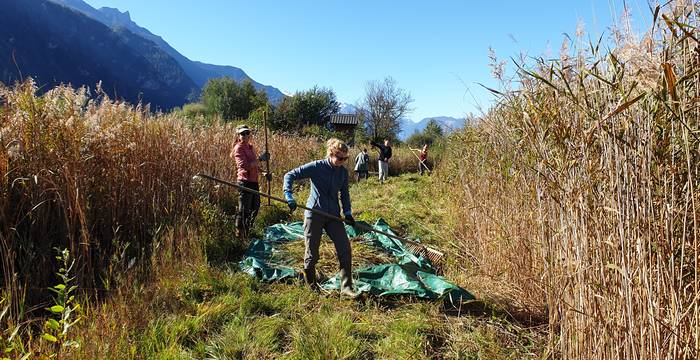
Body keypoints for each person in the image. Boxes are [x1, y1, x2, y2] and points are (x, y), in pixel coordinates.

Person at [283, 138, 358, 298]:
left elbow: (344, 194)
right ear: (331, 154)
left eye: (345, 158)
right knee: (312, 253)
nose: (342, 161)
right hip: (314, 214)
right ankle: (312, 285)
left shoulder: (342, 172)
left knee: (345, 248)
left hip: (333, 216)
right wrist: (288, 195)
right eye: (340, 158)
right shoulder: (316, 167)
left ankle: (346, 287)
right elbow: (290, 175)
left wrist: (348, 213)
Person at [230, 124, 270, 238]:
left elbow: (254, 165)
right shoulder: (239, 148)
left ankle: (248, 231)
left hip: (254, 181)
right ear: (238, 136)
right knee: (244, 211)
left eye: (247, 133)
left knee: (255, 208)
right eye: (243, 133)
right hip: (244, 182)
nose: (246, 135)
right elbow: (244, 166)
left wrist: (263, 173)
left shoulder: (250, 147)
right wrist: (260, 159)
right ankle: (240, 235)